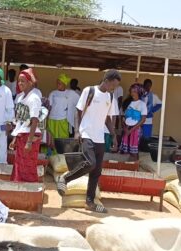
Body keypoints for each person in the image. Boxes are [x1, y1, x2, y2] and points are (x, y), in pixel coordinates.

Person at [57, 69, 121, 213]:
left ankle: (90, 201)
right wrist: (77, 131)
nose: (114, 88)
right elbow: (78, 111)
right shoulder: (89, 91)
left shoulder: (110, 98)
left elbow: (107, 119)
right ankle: (65, 178)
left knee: (96, 171)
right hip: (86, 133)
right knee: (90, 163)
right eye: (113, 85)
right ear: (106, 80)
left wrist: (114, 136)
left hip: (100, 137)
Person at [10, 68, 42, 182]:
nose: (20, 83)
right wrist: (14, 138)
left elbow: (34, 120)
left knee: (28, 166)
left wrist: (29, 142)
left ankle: (30, 189)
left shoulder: (34, 98)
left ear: (30, 82)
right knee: (19, 164)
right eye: (19, 81)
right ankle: (19, 186)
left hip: (31, 136)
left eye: (23, 81)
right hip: (21, 135)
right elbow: (19, 121)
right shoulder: (20, 97)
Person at [48, 73, 79, 140]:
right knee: (52, 139)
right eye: (57, 83)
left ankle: (61, 151)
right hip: (52, 119)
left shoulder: (71, 93)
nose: (58, 85)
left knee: (63, 138)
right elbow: (49, 106)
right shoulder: (53, 93)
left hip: (63, 119)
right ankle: (53, 151)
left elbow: (80, 102)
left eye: (60, 83)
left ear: (65, 84)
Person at [120, 84, 147, 160]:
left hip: (136, 129)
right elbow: (122, 117)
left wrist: (131, 130)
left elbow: (143, 119)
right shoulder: (126, 103)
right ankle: (126, 165)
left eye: (135, 91)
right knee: (125, 150)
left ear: (139, 92)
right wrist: (125, 129)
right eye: (131, 91)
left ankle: (134, 165)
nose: (132, 93)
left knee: (134, 151)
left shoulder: (142, 104)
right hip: (126, 129)